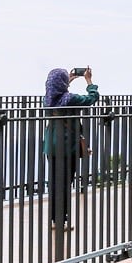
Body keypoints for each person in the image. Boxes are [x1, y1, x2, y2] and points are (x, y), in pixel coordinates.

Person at [43, 66, 99, 228]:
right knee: (66, 183)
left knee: (54, 182)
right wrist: (89, 81)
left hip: (51, 147)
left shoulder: (47, 100)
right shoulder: (72, 100)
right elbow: (92, 98)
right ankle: (64, 219)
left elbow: (57, 91)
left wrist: (68, 80)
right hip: (68, 148)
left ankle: (54, 219)